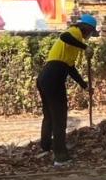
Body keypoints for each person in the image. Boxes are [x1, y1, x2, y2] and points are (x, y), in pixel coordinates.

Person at [37, 14, 98, 166]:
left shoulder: (74, 44)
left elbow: (70, 68)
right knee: (59, 118)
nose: (90, 36)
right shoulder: (74, 32)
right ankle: (61, 156)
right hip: (54, 77)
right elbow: (64, 36)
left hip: (45, 77)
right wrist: (85, 47)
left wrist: (84, 85)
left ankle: (46, 146)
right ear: (87, 28)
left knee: (50, 116)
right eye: (91, 32)